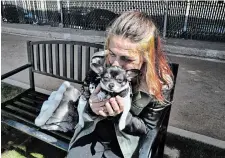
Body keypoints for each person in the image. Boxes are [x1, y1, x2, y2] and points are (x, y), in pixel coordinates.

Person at [67, 11, 174, 158]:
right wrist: (91, 108)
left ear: (146, 57)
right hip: (93, 130)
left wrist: (121, 115)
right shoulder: (100, 64)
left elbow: (148, 128)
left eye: (127, 59)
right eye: (112, 54)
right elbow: (84, 96)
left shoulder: (160, 83)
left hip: (125, 142)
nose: (115, 64)